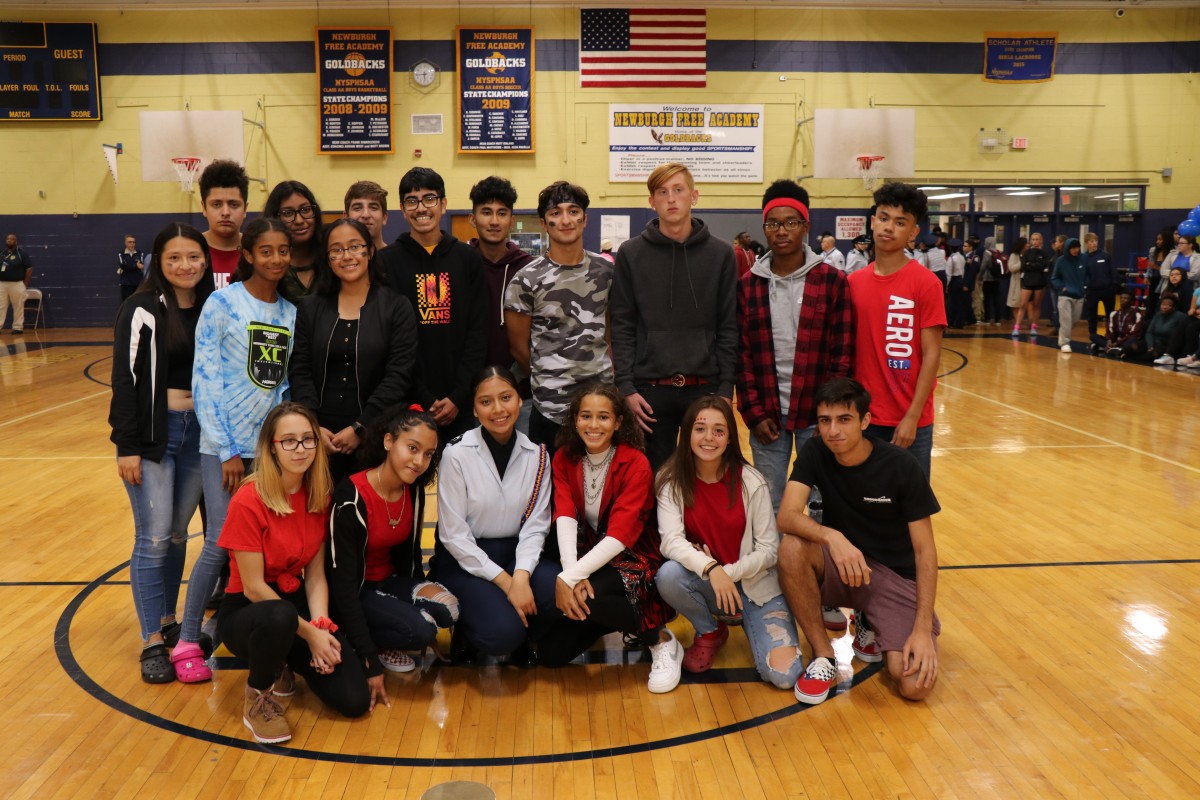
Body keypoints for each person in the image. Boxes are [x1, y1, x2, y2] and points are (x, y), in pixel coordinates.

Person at [176, 218, 298, 681]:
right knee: (218, 543)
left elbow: (281, 386)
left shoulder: (289, 311)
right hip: (223, 447)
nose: (275, 259)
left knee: (262, 548)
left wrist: (282, 447)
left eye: (283, 251)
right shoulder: (222, 303)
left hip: (268, 450)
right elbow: (204, 379)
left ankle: (235, 628)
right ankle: (188, 639)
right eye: (266, 251)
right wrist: (227, 449)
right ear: (248, 254)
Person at [777, 377, 941, 705]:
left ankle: (871, 618)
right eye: (825, 421)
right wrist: (832, 536)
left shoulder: (901, 466)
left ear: (865, 421)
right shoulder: (816, 451)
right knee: (791, 547)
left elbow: (925, 553)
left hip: (895, 578)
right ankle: (823, 656)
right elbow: (787, 516)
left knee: (913, 687)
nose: (833, 430)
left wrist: (921, 629)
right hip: (846, 565)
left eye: (844, 419)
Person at [217, 402, 369, 744]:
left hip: (292, 611)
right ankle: (258, 694)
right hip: (249, 612)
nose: (300, 449)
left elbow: (315, 575)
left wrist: (320, 628)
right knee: (280, 616)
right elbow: (254, 589)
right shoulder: (248, 500)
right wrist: (310, 636)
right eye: (288, 441)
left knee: (353, 700)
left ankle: (284, 659)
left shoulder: (318, 492)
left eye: (307, 439)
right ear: (271, 447)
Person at [109, 223, 215, 683]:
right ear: (158, 261)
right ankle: (152, 639)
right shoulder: (141, 308)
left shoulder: (214, 306)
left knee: (176, 535)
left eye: (193, 257)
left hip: (199, 437)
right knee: (152, 538)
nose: (185, 266)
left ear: (206, 261)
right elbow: (124, 379)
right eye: (174, 258)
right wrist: (127, 445)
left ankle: (170, 621)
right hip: (155, 437)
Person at [655, 395, 804, 693]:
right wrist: (712, 570)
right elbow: (671, 542)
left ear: (729, 438)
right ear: (687, 434)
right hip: (709, 584)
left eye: (719, 430)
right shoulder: (670, 480)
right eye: (700, 428)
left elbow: (769, 550)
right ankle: (710, 630)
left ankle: (747, 619)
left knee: (784, 676)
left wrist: (727, 573)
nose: (709, 437)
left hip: (755, 587)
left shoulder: (752, 481)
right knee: (668, 575)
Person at [326, 405, 459, 708]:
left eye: (428, 454)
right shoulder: (351, 496)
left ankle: (393, 627)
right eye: (412, 448)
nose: (419, 461)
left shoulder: (412, 488)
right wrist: (370, 662)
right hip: (354, 592)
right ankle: (369, 644)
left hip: (389, 582)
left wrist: (420, 602)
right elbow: (343, 587)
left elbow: (410, 558)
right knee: (421, 628)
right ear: (388, 442)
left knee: (447, 611)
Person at [609, 162, 738, 470]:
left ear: (693, 196)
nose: (671, 199)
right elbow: (623, 325)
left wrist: (724, 389)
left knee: (706, 481)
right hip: (650, 391)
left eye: (678, 190)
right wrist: (626, 386)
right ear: (652, 201)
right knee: (654, 484)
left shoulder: (721, 254)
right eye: (662, 192)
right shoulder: (630, 253)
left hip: (704, 387)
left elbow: (729, 326)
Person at [538, 384, 674, 673]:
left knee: (587, 597)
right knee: (550, 653)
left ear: (618, 422)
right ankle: (613, 620)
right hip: (592, 555)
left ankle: (660, 638)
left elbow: (620, 536)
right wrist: (571, 573)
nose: (593, 425)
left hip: (635, 556)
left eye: (603, 417)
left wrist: (569, 579)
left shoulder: (636, 463)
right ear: (575, 420)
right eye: (585, 416)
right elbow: (564, 515)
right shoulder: (564, 456)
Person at [737, 178, 853, 513]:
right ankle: (774, 566)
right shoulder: (749, 285)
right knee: (768, 503)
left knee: (823, 501)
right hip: (767, 416)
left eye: (790, 222)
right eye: (773, 223)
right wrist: (754, 413)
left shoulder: (832, 281)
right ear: (765, 228)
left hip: (818, 415)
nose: (781, 231)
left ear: (805, 226)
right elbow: (742, 356)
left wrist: (830, 416)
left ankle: (819, 566)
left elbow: (842, 355)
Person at [430, 366, 559, 663]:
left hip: (517, 553)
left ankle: (527, 633)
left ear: (519, 401)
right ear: (474, 409)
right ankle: (467, 627)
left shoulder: (538, 455)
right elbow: (453, 535)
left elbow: (536, 527)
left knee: (556, 590)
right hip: (465, 559)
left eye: (506, 397)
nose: (498, 409)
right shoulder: (456, 453)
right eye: (486, 402)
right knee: (500, 636)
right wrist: (507, 583)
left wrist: (522, 577)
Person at [288, 219, 417, 482]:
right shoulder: (311, 308)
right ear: (327, 259)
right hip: (319, 437)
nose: (346, 256)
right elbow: (299, 368)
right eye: (336, 250)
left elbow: (398, 375)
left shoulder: (395, 307)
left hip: (376, 435)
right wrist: (312, 426)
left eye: (354, 246)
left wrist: (360, 428)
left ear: (369, 251)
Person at [376, 167, 488, 441]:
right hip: (408, 400)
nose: (421, 208)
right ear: (402, 209)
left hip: (461, 402)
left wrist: (459, 395)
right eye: (412, 201)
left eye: (429, 198)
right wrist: (423, 396)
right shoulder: (385, 262)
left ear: (443, 204)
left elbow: (478, 332)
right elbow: (388, 339)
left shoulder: (467, 259)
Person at [505, 180, 613, 451]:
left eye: (573, 211)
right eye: (555, 213)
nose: (566, 219)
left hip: (600, 406)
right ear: (544, 223)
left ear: (585, 219)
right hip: (550, 409)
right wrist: (552, 376)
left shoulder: (607, 272)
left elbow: (610, 335)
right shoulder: (526, 280)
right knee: (550, 491)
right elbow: (519, 348)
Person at [847, 182, 945, 478]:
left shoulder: (926, 283)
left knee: (909, 510)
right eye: (884, 217)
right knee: (862, 506)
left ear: (913, 232)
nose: (889, 227)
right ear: (873, 221)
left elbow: (931, 355)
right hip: (863, 419)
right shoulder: (853, 283)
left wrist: (912, 417)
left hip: (910, 420)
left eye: (901, 222)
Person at [467, 176, 535, 431]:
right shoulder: (460, 264)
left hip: (522, 395)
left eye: (501, 213)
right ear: (473, 218)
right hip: (470, 395)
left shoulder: (529, 269)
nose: (494, 221)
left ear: (511, 219)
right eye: (486, 212)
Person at [263, 180, 323, 302]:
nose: (299, 220)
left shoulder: (331, 258)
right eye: (288, 213)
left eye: (305, 210)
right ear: (274, 218)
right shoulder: (266, 265)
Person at [198, 160, 249, 290]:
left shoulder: (258, 252)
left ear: (245, 209)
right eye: (216, 204)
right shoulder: (189, 250)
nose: (225, 212)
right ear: (204, 207)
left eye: (234, 204)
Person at [1121, 293, 1185, 366]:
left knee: (1148, 357)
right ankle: (1121, 353)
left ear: (1174, 307)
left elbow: (1178, 336)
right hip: (1151, 342)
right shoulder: (1158, 315)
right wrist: (1150, 346)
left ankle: (1129, 358)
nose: (1165, 307)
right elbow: (1149, 332)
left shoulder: (1180, 317)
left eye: (1168, 305)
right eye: (1163, 304)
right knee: (1130, 348)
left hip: (1165, 346)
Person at [1083, 233, 1120, 352]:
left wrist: (1114, 285)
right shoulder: (1084, 258)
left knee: (1110, 315)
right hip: (1092, 291)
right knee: (1091, 316)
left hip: (1107, 290)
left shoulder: (1105, 255)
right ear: (1087, 243)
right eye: (1091, 241)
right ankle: (1093, 337)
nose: (1093, 243)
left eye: (1095, 241)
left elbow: (1112, 271)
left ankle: (1110, 337)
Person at [1050, 238, 1089, 352]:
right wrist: (1062, 287)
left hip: (1079, 294)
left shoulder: (1084, 258)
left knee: (1075, 320)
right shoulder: (1061, 261)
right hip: (1064, 295)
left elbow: (1088, 274)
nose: (1076, 250)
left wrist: (1085, 285)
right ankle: (1065, 343)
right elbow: (1054, 278)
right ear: (1067, 248)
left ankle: (1062, 336)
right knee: (1066, 319)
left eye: (1077, 247)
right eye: (1073, 248)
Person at [1016, 232, 1052, 337]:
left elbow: (1042, 266)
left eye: (1037, 239)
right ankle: (1017, 326)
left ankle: (1034, 326)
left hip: (1039, 282)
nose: (1035, 242)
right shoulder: (1026, 253)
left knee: (1037, 305)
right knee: (1023, 305)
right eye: (1033, 239)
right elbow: (1023, 266)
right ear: (1030, 241)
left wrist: (1031, 264)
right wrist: (1033, 265)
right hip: (1027, 281)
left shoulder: (1044, 254)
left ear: (1041, 241)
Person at [344, 180, 390, 253]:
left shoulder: (397, 261)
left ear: (384, 217)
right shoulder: (336, 262)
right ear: (346, 218)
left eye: (373, 208)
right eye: (357, 208)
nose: (366, 215)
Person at [1, 233, 34, 334]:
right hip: (2, 284)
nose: (9, 241)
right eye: (7, 239)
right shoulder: (2, 253)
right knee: (0, 306)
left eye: (11, 239)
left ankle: (18, 327)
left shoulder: (21, 253)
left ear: (16, 242)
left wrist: (24, 284)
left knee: (18, 306)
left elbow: (29, 269)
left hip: (17, 284)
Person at [1102, 289, 1144, 358]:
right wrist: (1109, 341)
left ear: (1131, 302)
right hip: (1115, 340)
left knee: (1132, 343)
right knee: (1093, 336)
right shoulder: (1114, 313)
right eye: (1121, 298)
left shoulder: (1137, 315)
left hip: (1127, 340)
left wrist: (1116, 343)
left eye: (1125, 298)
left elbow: (1134, 334)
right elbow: (1110, 329)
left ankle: (1110, 348)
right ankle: (1114, 348)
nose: (1122, 300)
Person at [979, 237, 1004, 325]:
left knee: (987, 299)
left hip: (988, 279)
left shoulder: (987, 252)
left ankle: (987, 318)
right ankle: (998, 319)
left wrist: (980, 276)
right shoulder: (997, 252)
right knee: (996, 299)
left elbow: (984, 265)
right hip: (997, 279)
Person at [945, 239, 969, 329]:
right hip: (960, 279)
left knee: (952, 303)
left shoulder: (951, 259)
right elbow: (963, 270)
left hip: (953, 281)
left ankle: (950, 322)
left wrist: (947, 285)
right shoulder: (962, 257)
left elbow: (948, 274)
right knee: (960, 302)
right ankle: (959, 323)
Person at [1007, 237, 1027, 333]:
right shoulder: (1014, 255)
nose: (1028, 245)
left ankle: (1020, 322)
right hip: (1016, 282)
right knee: (1015, 303)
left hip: (1027, 282)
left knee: (1023, 304)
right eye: (1026, 244)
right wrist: (1022, 263)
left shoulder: (1028, 254)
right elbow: (1011, 268)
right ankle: (1017, 323)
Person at [118, 234, 145, 302]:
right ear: (125, 243)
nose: (132, 244)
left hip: (138, 284)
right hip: (126, 284)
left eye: (133, 242)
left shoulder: (140, 253)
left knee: (138, 304)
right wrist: (136, 265)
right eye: (130, 242)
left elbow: (141, 265)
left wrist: (128, 265)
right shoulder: (121, 254)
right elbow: (123, 265)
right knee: (126, 304)